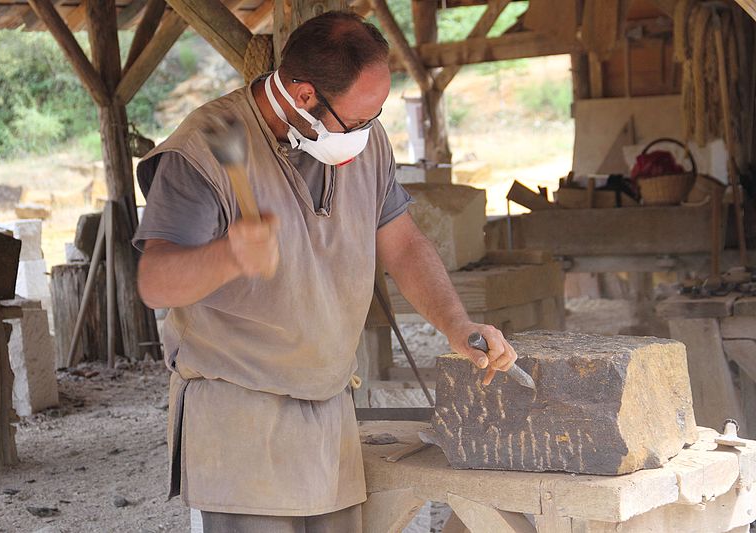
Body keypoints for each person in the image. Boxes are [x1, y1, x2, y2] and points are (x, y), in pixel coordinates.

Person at [134, 11, 518, 532]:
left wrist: (456, 325)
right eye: (358, 119)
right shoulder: (200, 152)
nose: (367, 131)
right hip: (242, 417)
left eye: (377, 114)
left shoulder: (364, 140)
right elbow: (155, 283)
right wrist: (228, 255)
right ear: (303, 94)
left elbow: (403, 244)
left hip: (330, 405)